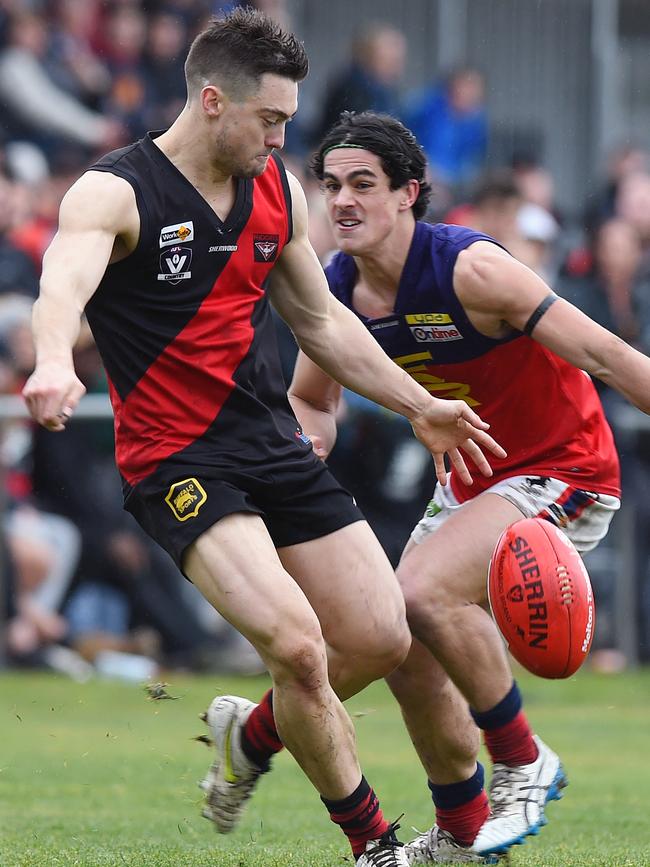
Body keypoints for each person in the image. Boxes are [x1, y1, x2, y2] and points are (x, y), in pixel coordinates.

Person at [21, 11, 504, 867]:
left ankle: (249, 736)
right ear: (213, 101)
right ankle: (376, 846)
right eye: (271, 120)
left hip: (270, 440)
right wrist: (55, 359)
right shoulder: (116, 192)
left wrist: (416, 402)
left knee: (381, 638)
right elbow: (62, 281)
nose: (283, 136)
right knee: (295, 643)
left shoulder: (276, 188)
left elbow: (321, 319)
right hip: (178, 461)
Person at [281, 111, 650, 863]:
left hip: (564, 465)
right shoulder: (336, 288)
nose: (342, 202)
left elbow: (609, 355)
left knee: (420, 591)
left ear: (409, 193)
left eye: (363, 184)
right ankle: (462, 830)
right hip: (474, 485)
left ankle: (522, 758)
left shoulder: (471, 268)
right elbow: (312, 398)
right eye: (330, 187)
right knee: (398, 635)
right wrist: (306, 444)